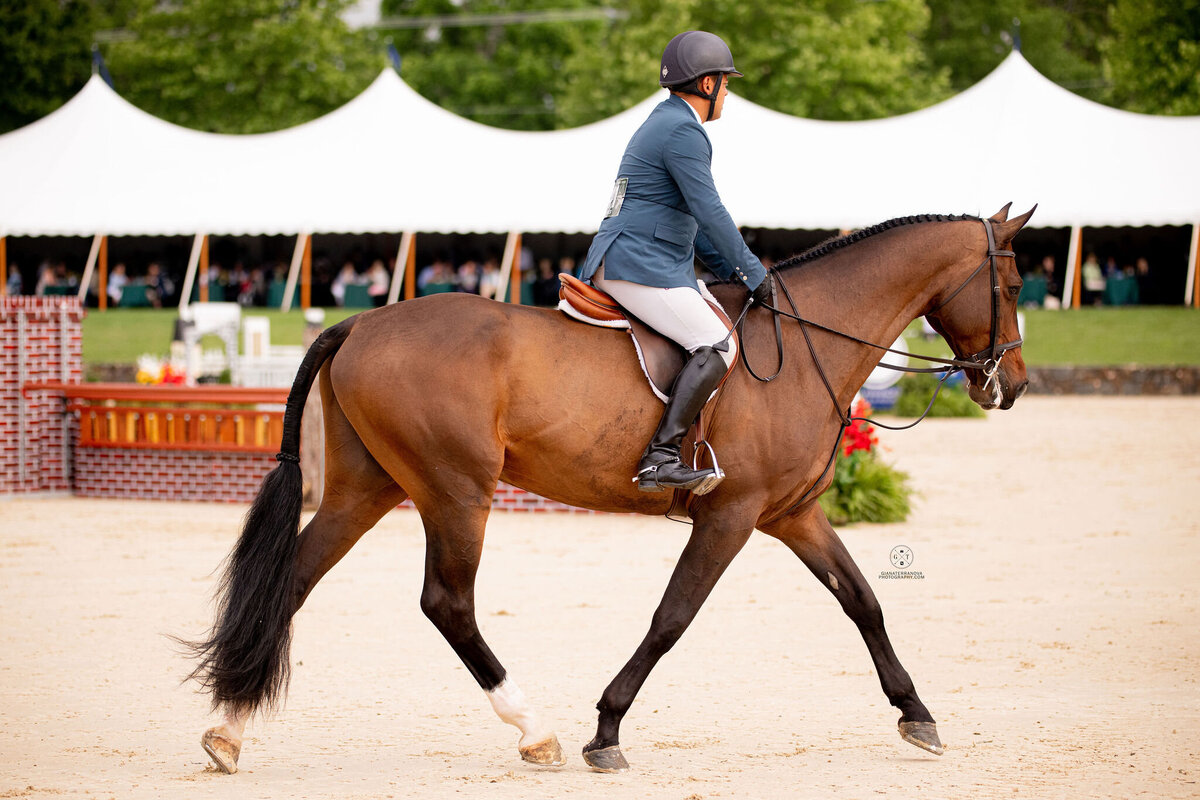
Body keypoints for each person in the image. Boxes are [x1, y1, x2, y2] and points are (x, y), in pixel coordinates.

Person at [577, 30, 772, 493]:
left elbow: (693, 226)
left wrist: (728, 272)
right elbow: (711, 212)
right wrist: (753, 274)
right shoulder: (684, 130)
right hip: (638, 262)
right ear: (706, 85)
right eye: (725, 82)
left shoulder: (666, 122)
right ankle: (660, 457)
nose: (728, 91)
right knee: (718, 344)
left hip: (640, 255)